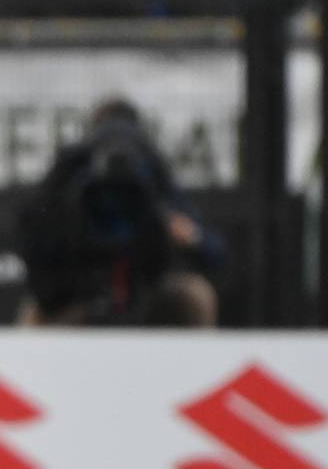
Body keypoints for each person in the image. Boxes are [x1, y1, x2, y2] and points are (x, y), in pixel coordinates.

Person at [17, 99, 221, 327]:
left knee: (196, 295)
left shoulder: (150, 174)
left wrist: (188, 236)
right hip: (76, 286)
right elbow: (31, 231)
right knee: (34, 311)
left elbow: (214, 250)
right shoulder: (73, 174)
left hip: (145, 286)